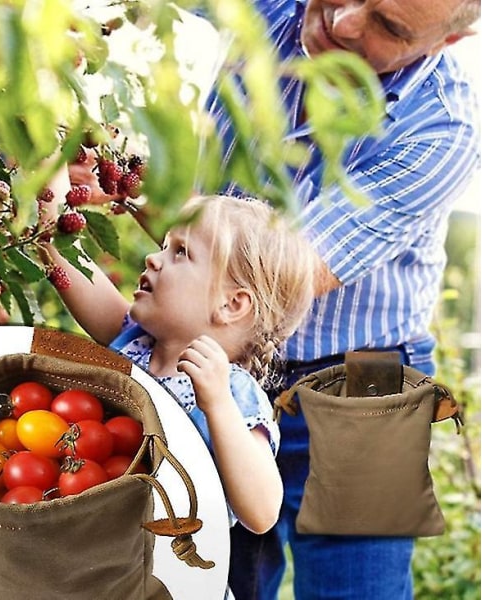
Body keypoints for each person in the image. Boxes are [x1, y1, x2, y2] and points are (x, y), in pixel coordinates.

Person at [202, 0, 481, 599]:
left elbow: (278, 274)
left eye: (389, 26)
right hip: (227, 353)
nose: (345, 20)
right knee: (216, 577)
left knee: (357, 589)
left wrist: (141, 198)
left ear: (444, 43)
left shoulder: (442, 126)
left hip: (363, 377)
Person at [38, 164, 318, 538]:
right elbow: (59, 252)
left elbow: (263, 512)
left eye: (180, 252)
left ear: (232, 305)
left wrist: (216, 404)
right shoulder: (132, 341)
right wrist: (53, 159)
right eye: (163, 246)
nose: (153, 259)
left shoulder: (231, 393)